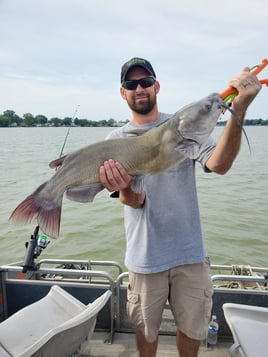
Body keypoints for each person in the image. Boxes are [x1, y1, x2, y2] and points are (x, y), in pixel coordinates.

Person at [99, 57, 261, 357]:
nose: (139, 88)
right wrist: (123, 186)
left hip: (190, 254)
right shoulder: (115, 140)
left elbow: (219, 164)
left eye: (146, 82)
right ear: (123, 93)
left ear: (156, 86)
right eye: (131, 84)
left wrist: (238, 109)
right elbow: (133, 201)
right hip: (144, 256)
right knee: (145, 329)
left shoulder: (187, 124)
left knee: (193, 328)